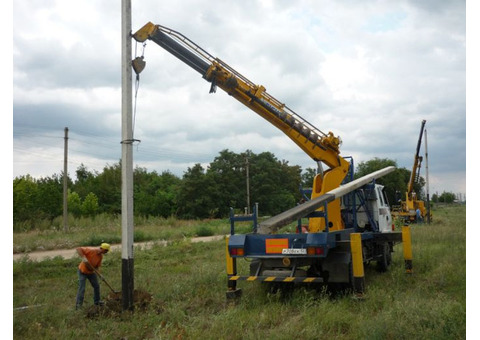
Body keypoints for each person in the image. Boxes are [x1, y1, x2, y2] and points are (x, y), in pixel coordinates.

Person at [75, 243, 110, 309]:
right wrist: (83, 258)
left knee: (96, 286)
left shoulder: (100, 257)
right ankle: (78, 306)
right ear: (102, 248)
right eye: (106, 250)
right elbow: (78, 248)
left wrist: (100, 275)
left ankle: (97, 301)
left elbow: (96, 267)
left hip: (91, 273)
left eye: (107, 251)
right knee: (82, 288)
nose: (106, 252)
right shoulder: (91, 250)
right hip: (82, 271)